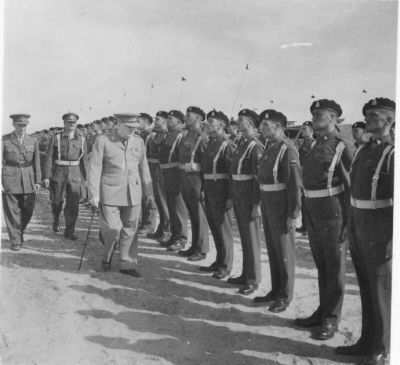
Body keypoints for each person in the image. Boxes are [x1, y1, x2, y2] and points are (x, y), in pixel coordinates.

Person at [335, 98, 394, 365]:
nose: (368, 119)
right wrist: (349, 222)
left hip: (380, 228)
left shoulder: (393, 154)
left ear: (390, 121)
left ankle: (382, 350)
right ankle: (367, 341)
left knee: (381, 291)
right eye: (367, 115)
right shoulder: (362, 150)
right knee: (366, 288)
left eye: (374, 115)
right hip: (359, 224)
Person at [294, 99, 352, 340]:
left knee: (334, 266)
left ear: (333, 117)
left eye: (321, 113)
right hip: (314, 209)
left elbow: (352, 186)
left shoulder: (342, 146)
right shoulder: (317, 143)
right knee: (323, 265)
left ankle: (331, 319)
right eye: (314, 113)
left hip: (333, 211)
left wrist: (349, 221)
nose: (316, 117)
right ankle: (322, 311)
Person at [87, 113, 155, 277]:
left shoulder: (138, 141)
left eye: (135, 128)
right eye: (129, 127)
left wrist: (149, 193)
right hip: (110, 192)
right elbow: (94, 168)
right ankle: (107, 256)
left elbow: (144, 168)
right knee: (113, 228)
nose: (133, 130)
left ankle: (128, 263)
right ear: (118, 125)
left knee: (130, 229)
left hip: (133, 193)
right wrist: (94, 194)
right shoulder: (103, 141)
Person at [254, 109, 302, 312]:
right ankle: (275, 290)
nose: (262, 128)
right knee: (273, 250)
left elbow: (294, 184)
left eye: (266, 125)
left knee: (284, 251)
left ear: (279, 128)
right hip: (268, 201)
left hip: (281, 204)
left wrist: (294, 213)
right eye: (262, 125)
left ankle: (285, 295)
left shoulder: (287, 148)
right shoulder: (269, 146)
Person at [228, 109, 263, 295]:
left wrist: (257, 205)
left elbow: (258, 178)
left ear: (250, 123)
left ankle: (253, 279)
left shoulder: (255, 146)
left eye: (241, 120)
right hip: (239, 196)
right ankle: (246, 274)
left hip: (249, 198)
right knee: (244, 238)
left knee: (252, 239)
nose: (237, 122)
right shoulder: (242, 143)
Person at [200, 109, 236, 279]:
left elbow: (232, 174)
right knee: (215, 228)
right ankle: (219, 261)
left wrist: (230, 196)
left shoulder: (226, 145)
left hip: (221, 192)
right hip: (209, 190)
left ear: (222, 126)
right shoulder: (210, 143)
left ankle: (226, 265)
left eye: (211, 123)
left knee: (224, 229)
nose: (208, 126)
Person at [43, 113, 87, 240]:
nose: (71, 125)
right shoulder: (56, 137)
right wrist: (46, 176)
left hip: (74, 172)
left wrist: (87, 180)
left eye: (73, 123)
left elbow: (85, 161)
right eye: (68, 122)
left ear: (76, 124)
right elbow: (49, 157)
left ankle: (69, 231)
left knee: (73, 204)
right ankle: (56, 219)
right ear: (64, 123)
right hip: (59, 172)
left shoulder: (81, 139)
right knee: (56, 201)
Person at [2, 114, 41, 251]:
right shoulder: (5, 140)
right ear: (13, 125)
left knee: (28, 209)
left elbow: (37, 162)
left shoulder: (33, 141)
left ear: (27, 125)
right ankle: (16, 241)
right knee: (12, 211)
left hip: (28, 178)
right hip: (10, 177)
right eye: (19, 125)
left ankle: (18, 232)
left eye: (24, 126)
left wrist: (38, 181)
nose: (21, 128)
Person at [177, 106, 209, 261]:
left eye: (188, 115)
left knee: (200, 215)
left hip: (196, 181)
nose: (185, 118)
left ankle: (202, 249)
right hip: (186, 179)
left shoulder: (202, 138)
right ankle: (194, 246)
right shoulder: (187, 135)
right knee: (193, 215)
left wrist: (203, 187)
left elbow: (206, 163)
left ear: (198, 118)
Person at [159, 110, 188, 250]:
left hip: (175, 174)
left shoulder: (181, 136)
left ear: (178, 122)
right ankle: (174, 235)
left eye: (170, 119)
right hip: (166, 173)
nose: (168, 121)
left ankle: (181, 238)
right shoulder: (168, 135)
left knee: (178, 208)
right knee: (171, 205)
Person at [146, 111, 171, 242]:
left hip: (161, 170)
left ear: (165, 122)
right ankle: (161, 228)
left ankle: (167, 230)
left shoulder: (166, 134)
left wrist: (151, 134)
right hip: (155, 169)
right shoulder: (160, 134)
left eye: (158, 120)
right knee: (159, 201)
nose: (155, 122)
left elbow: (156, 145)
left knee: (163, 201)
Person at [138, 112, 157, 235]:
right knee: (142, 197)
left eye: (138, 120)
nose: (136, 123)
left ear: (146, 122)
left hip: (151, 168)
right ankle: (143, 222)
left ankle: (149, 225)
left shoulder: (151, 135)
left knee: (150, 197)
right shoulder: (142, 134)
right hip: (143, 167)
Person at [296, 121, 315, 233]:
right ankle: (305, 225)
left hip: (307, 175)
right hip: (301, 174)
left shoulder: (312, 143)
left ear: (311, 131)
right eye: (302, 129)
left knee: (307, 202)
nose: (302, 131)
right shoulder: (304, 143)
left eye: (305, 129)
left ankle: (308, 226)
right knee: (303, 201)